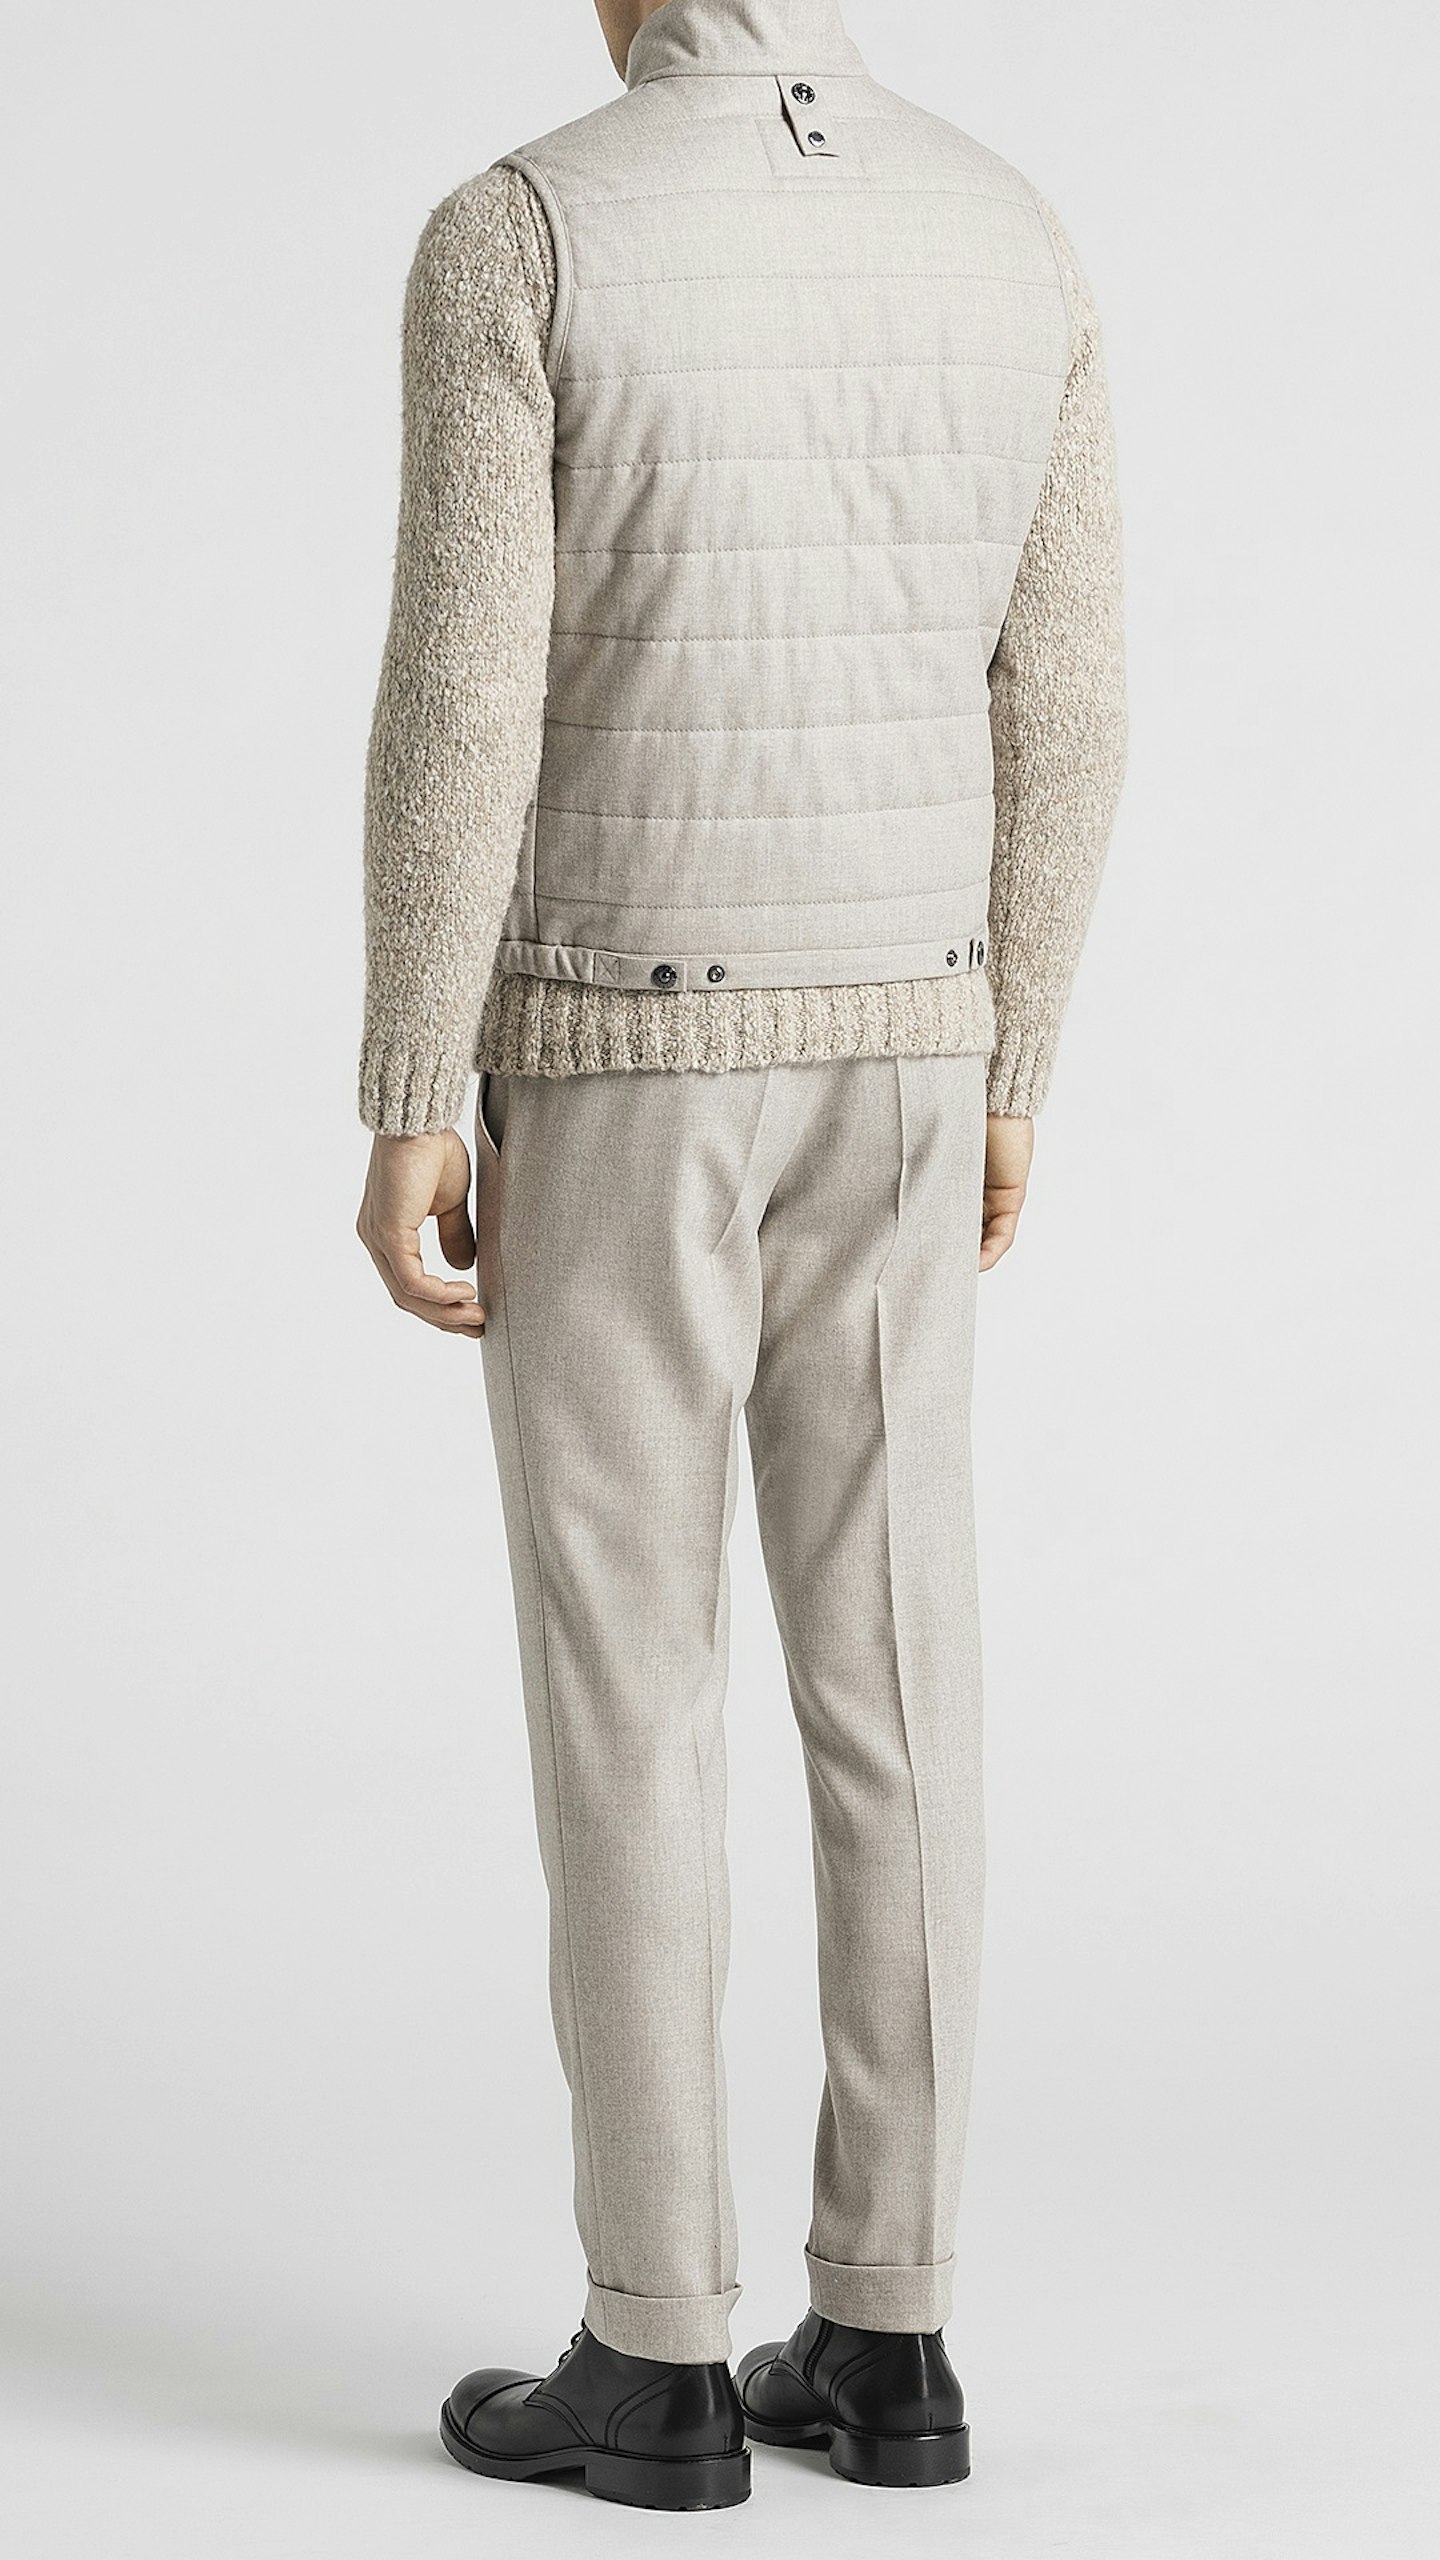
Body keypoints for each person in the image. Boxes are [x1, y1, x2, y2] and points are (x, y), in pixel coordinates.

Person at [355, 0, 1126, 2513]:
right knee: (897, 1676)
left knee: (634, 1689)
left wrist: (409, 1073)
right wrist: (1012, 1046)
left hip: (620, 1036)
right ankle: (890, 2337)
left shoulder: (525, 230)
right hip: (910, 1034)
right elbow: (1071, 694)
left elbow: (466, 686)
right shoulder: (1010, 228)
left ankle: (656, 2353)